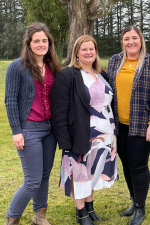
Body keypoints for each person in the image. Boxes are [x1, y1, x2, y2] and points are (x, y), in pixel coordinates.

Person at [51, 35, 117, 225]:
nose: (89, 52)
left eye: (92, 49)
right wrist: (64, 140)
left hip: (104, 133)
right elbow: (59, 111)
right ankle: (81, 213)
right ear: (76, 53)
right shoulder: (67, 75)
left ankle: (90, 208)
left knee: (94, 170)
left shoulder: (103, 75)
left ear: (96, 52)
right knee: (79, 172)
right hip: (80, 134)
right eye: (84, 49)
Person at [107, 26, 150, 225]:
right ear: (122, 42)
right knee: (126, 163)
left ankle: (140, 208)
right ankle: (134, 200)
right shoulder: (115, 61)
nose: (130, 42)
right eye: (126, 38)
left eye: (134, 38)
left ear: (140, 40)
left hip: (141, 125)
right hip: (119, 125)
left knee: (138, 165)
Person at [4, 22, 61, 225]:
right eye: (36, 41)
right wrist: (16, 131)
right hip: (29, 129)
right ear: (28, 44)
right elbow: (10, 100)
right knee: (32, 180)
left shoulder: (52, 66)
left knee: (44, 175)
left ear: (49, 43)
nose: (41, 44)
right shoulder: (17, 67)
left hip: (49, 130)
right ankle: (11, 219)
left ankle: (39, 216)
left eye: (44, 41)